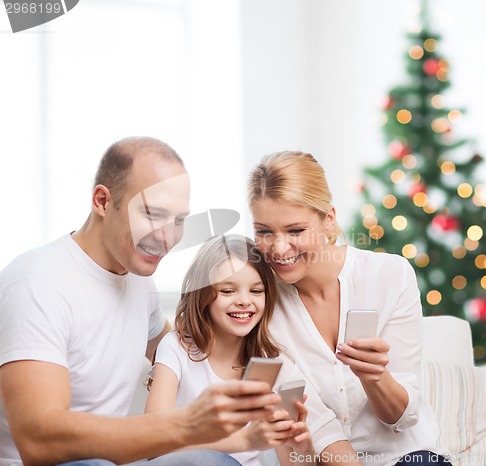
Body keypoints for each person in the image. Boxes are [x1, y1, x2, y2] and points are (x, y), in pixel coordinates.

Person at [0, 137, 280, 466]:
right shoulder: (38, 284)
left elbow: (177, 345)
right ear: (103, 201)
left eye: (178, 221)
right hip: (58, 463)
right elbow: (38, 441)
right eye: (152, 214)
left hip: (114, 462)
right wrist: (189, 424)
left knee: (212, 460)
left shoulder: (138, 280)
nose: (167, 237)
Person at [247, 151, 451, 466]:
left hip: (408, 457)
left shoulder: (390, 276)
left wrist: (374, 377)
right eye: (264, 231)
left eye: (295, 231)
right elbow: (314, 423)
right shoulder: (261, 305)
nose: (278, 248)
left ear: (328, 219)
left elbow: (402, 418)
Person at [145, 234, 316, 466]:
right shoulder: (176, 348)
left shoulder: (272, 362)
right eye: (228, 291)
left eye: (256, 291)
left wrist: (301, 450)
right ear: (203, 295)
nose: (244, 301)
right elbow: (153, 443)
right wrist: (242, 440)